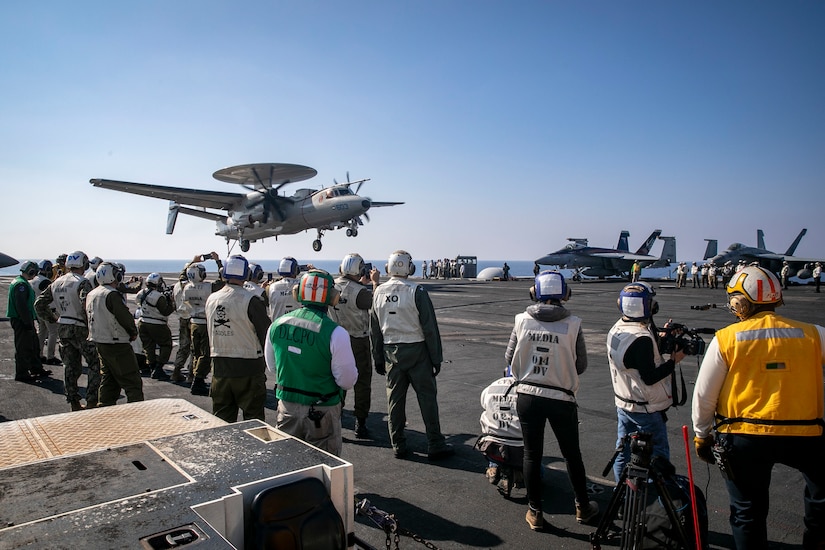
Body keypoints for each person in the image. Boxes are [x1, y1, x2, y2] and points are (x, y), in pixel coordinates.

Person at [692, 266, 825, 549]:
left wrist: (702, 435)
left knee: (747, 513)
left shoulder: (726, 338)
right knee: (820, 505)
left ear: (741, 302)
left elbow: (704, 395)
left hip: (744, 437)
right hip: (807, 436)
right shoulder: (814, 334)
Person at [505, 271, 599, 530]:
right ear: (564, 294)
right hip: (561, 397)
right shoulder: (574, 323)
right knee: (572, 455)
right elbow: (581, 365)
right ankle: (583, 506)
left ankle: (535, 512)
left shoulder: (521, 320)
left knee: (532, 455)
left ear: (534, 293)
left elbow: (509, 356)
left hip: (527, 396)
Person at [370, 250, 453, 460]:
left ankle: (397, 444)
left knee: (395, 401)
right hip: (418, 352)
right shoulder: (417, 291)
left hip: (391, 352)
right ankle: (435, 442)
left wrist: (378, 358)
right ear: (409, 268)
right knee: (427, 399)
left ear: (389, 268)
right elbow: (430, 328)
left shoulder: (378, 292)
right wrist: (436, 359)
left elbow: (375, 330)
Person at [266, 270, 358, 456]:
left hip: (287, 407)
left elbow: (273, 367)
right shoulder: (336, 333)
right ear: (332, 297)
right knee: (323, 467)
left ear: (298, 292)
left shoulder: (277, 324)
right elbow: (347, 381)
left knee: (286, 465)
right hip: (322, 412)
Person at [606, 281, 685, 482]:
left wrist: (660, 335)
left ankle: (621, 495)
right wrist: (673, 361)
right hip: (645, 409)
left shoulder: (618, 328)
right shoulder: (641, 338)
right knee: (658, 456)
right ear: (648, 306)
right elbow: (650, 377)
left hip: (624, 403)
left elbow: (635, 356)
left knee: (623, 452)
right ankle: (659, 503)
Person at [205, 255, 271, 423]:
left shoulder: (212, 299)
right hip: (249, 367)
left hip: (220, 367)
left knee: (222, 421)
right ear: (246, 274)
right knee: (254, 421)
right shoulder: (251, 300)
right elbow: (265, 333)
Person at [35, 250, 100, 411]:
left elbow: (39, 304)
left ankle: (73, 402)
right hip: (81, 328)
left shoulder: (56, 282)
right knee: (93, 365)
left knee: (70, 366)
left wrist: (53, 318)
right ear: (83, 264)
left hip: (63, 326)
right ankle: (91, 401)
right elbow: (87, 306)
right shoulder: (82, 282)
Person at [329, 253, 380, 438]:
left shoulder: (331, 287)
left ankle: (335, 419)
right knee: (362, 382)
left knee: (336, 381)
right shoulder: (360, 292)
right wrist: (374, 283)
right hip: (358, 339)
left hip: (335, 338)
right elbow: (376, 304)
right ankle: (361, 422)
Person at [86, 262, 144, 406]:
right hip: (117, 343)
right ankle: (138, 413)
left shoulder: (92, 293)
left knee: (109, 380)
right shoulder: (112, 295)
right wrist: (133, 332)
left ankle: (104, 408)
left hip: (100, 341)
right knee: (132, 381)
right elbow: (124, 316)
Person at [183, 258, 225, 395]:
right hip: (205, 323)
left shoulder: (186, 287)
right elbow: (223, 279)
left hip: (193, 322)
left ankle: (195, 377)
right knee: (206, 353)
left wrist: (190, 264)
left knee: (196, 352)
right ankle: (198, 380)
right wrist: (218, 261)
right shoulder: (208, 287)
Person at [7, 261, 52, 382]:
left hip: (25, 319)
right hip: (21, 320)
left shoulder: (21, 283)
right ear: (31, 271)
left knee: (33, 345)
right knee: (23, 347)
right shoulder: (20, 285)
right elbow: (21, 305)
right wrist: (27, 322)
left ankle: (36, 368)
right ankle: (22, 373)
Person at [135, 273, 175, 381]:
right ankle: (158, 368)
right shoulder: (158, 296)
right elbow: (165, 311)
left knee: (148, 346)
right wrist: (172, 302)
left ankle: (152, 366)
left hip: (142, 322)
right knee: (166, 345)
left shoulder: (140, 293)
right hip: (157, 323)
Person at [31, 259, 61, 366]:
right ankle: (50, 356)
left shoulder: (34, 280)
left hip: (38, 310)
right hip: (48, 309)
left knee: (42, 332)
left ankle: (39, 354)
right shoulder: (45, 281)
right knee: (53, 333)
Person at [268, 256, 301, 321]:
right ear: (296, 270)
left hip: (277, 326)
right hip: (297, 326)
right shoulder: (302, 285)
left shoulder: (272, 287)